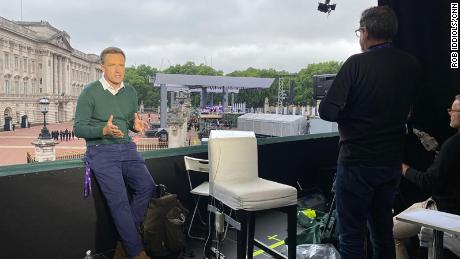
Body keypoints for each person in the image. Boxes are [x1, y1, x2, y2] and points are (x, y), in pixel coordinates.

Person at [318, 6, 420, 259]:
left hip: (357, 162)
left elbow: (327, 112)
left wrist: (353, 113)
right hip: (391, 163)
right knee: (383, 232)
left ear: (365, 31)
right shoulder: (410, 64)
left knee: (351, 236)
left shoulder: (356, 64)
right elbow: (408, 110)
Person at [74, 47, 155, 259]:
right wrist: (103, 130)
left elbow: (129, 122)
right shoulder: (89, 92)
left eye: (121, 65)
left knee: (147, 187)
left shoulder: (130, 92)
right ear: (102, 67)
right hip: (100, 150)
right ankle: (137, 252)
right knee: (118, 201)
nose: (118, 70)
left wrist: (135, 126)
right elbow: (79, 128)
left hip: (127, 147)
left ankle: (125, 245)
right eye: (112, 65)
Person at [393, 95, 460, 259]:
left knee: (390, 232)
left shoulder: (453, 145)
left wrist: (402, 168)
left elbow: (427, 182)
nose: (450, 113)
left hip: (445, 208)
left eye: (453, 110)